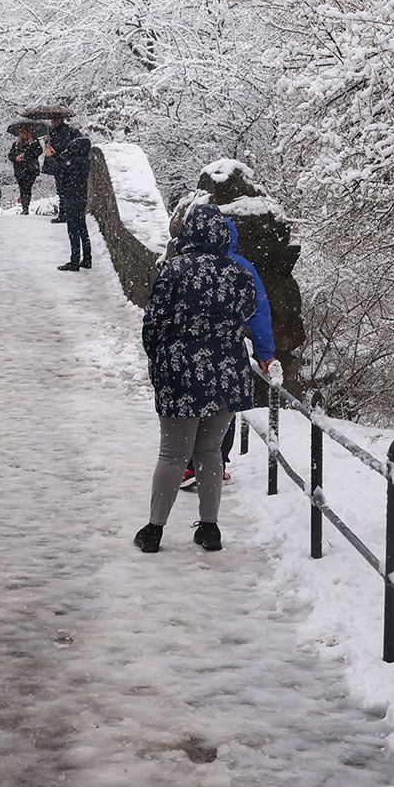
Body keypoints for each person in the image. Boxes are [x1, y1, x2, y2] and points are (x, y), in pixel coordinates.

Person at [135, 206, 278, 555]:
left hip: (181, 373)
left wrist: (161, 358)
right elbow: (249, 313)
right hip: (227, 372)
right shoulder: (240, 274)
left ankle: (154, 531)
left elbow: (153, 324)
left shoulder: (175, 270)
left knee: (172, 454)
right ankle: (210, 529)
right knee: (210, 452)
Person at [43, 118, 94, 271]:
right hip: (80, 198)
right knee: (82, 229)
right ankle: (87, 258)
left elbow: (60, 169)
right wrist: (55, 155)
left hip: (72, 198)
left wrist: (51, 157)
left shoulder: (75, 162)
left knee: (73, 230)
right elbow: (64, 164)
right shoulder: (82, 160)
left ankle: (74, 261)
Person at [8, 125, 42, 214]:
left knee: (27, 188)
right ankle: (25, 208)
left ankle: (26, 207)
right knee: (22, 188)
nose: (24, 134)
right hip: (19, 170)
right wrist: (16, 158)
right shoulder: (16, 144)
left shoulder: (34, 142)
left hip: (31, 170)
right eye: (22, 132)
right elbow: (10, 156)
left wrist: (26, 155)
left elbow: (38, 152)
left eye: (26, 132)